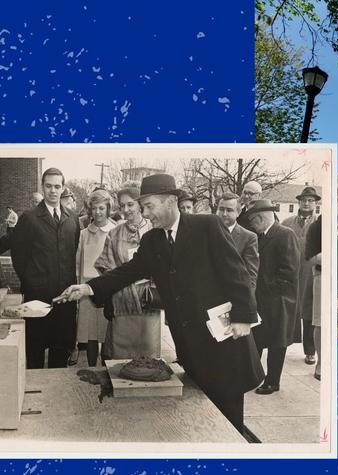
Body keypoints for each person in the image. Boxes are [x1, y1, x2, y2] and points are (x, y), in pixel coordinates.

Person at [57, 174, 264, 432]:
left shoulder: (207, 226)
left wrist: (244, 317)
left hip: (223, 343)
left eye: (149, 206)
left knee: (229, 420)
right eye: (142, 207)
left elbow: (237, 272)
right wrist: (88, 287)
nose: (145, 213)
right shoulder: (152, 240)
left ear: (170, 201)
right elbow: (128, 271)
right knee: (200, 416)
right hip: (190, 345)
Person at [12, 168, 80, 368]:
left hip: (64, 297)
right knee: (35, 349)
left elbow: (72, 250)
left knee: (61, 349)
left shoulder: (72, 218)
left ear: (63, 188)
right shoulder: (29, 218)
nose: (53, 191)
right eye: (48, 186)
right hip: (37, 296)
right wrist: (32, 282)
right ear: (42, 187)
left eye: (57, 186)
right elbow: (19, 256)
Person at [94, 185, 161, 360]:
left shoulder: (155, 231)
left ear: (140, 204)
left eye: (130, 204)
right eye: (122, 205)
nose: (125, 210)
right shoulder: (114, 233)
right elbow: (105, 266)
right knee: (120, 361)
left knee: (148, 360)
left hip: (148, 303)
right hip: (122, 302)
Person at [245, 199, 300, 395]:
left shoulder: (285, 234)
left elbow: (289, 272)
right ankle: (254, 376)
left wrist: (268, 290)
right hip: (264, 300)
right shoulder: (261, 237)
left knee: (277, 343)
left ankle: (272, 381)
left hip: (280, 301)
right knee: (258, 339)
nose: (251, 225)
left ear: (259, 218)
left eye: (252, 220)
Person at [75, 189, 117, 366]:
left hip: (110, 287)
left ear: (108, 209)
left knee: (108, 331)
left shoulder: (116, 231)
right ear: (89, 210)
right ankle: (92, 368)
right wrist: (78, 288)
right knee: (90, 332)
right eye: (94, 208)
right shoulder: (84, 234)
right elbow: (77, 263)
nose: (98, 212)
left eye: (101, 208)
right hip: (87, 288)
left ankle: (106, 369)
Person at [282, 186, 321, 365]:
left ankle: (310, 351)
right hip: (288, 272)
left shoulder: (319, 223)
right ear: (298, 201)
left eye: (311, 200)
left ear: (315, 203)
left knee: (308, 311)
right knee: (285, 309)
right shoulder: (287, 222)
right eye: (304, 200)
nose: (307, 203)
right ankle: (280, 344)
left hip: (309, 273)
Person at [216, 192, 259, 289]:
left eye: (229, 210)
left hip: (234, 297)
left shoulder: (249, 238)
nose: (224, 214)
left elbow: (251, 277)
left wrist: (246, 302)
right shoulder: (207, 233)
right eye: (221, 209)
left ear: (238, 213)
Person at [305, 215, 322, 380]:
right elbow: (309, 255)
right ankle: (321, 364)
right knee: (320, 322)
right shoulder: (316, 227)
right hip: (321, 274)